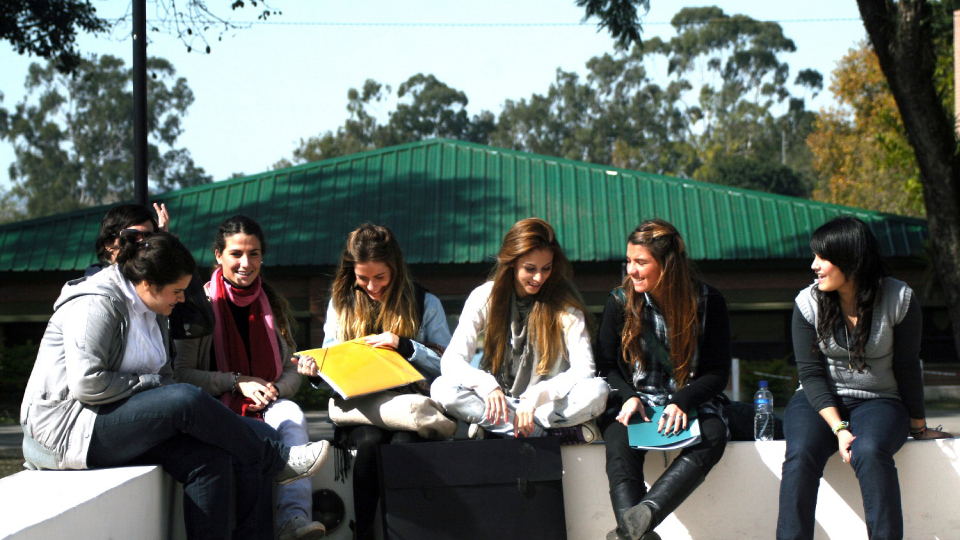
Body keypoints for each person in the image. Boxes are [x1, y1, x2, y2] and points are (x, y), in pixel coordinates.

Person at [20, 230, 330, 540]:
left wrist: (157, 388)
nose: (182, 298)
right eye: (177, 291)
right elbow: (88, 384)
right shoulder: (96, 304)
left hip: (110, 418)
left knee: (213, 458)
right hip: (68, 430)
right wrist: (151, 385)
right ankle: (276, 461)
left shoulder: (154, 309)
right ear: (148, 284)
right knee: (184, 398)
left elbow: (162, 379)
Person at [776, 216, 951, 540]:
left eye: (823, 257)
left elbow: (907, 366)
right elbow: (811, 374)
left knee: (869, 450)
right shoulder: (808, 302)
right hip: (819, 401)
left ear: (850, 259)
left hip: (880, 402)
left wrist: (918, 426)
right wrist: (839, 427)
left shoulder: (899, 299)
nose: (814, 265)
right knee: (800, 453)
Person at [173, 215, 326, 540]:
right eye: (236, 254)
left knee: (292, 415)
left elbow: (289, 371)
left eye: (254, 253)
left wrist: (276, 389)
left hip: (268, 402)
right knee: (252, 444)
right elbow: (181, 375)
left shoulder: (271, 302)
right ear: (218, 255)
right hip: (214, 405)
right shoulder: (197, 305)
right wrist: (236, 381)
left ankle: (293, 519)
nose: (246, 263)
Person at [296, 223, 451, 540]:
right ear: (350, 269)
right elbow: (329, 362)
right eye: (363, 278)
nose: (372, 286)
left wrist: (405, 346)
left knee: (403, 446)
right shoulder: (340, 303)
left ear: (395, 266)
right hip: (361, 408)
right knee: (369, 443)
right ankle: (363, 532)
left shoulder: (425, 303)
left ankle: (406, 533)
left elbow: (449, 367)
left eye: (380, 276)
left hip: (411, 407)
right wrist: (315, 373)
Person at [596, 219, 731, 540]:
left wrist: (684, 400)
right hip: (636, 401)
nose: (631, 270)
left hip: (690, 402)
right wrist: (627, 395)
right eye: (628, 261)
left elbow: (717, 373)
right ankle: (638, 535)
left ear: (667, 265)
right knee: (617, 441)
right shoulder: (619, 302)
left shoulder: (709, 302)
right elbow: (604, 365)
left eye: (641, 262)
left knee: (714, 434)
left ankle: (638, 522)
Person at [431, 217, 609, 443]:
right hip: (502, 402)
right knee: (441, 388)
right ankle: (542, 434)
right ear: (512, 262)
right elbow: (451, 361)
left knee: (597, 390)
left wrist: (535, 397)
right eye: (530, 268)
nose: (539, 278)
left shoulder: (566, 303)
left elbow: (584, 370)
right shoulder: (485, 296)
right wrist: (487, 386)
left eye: (546, 269)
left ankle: (501, 429)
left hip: (546, 406)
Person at [86, 203, 168, 276]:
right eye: (132, 236)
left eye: (149, 236)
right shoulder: (95, 283)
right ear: (108, 243)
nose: (142, 242)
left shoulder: (154, 277)